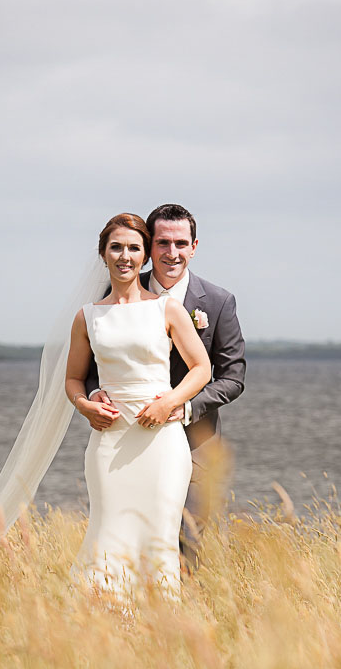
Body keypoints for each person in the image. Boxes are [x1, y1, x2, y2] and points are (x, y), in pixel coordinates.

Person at [86, 203, 245, 564]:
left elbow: (232, 377)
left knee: (187, 537)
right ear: (149, 246)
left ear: (194, 246)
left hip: (194, 439)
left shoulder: (218, 302)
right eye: (162, 243)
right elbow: (96, 356)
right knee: (126, 533)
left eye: (180, 243)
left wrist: (181, 406)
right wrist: (94, 395)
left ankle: (178, 615)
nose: (171, 253)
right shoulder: (119, 292)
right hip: (129, 434)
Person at [65, 213, 210, 594]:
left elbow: (202, 368)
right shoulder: (87, 317)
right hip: (109, 442)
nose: (124, 255)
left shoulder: (167, 309)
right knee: (110, 532)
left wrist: (171, 402)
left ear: (145, 256)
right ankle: (105, 625)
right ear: (103, 254)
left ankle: (160, 628)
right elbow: (73, 379)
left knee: (160, 535)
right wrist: (85, 405)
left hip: (162, 443)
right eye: (116, 247)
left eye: (133, 248)